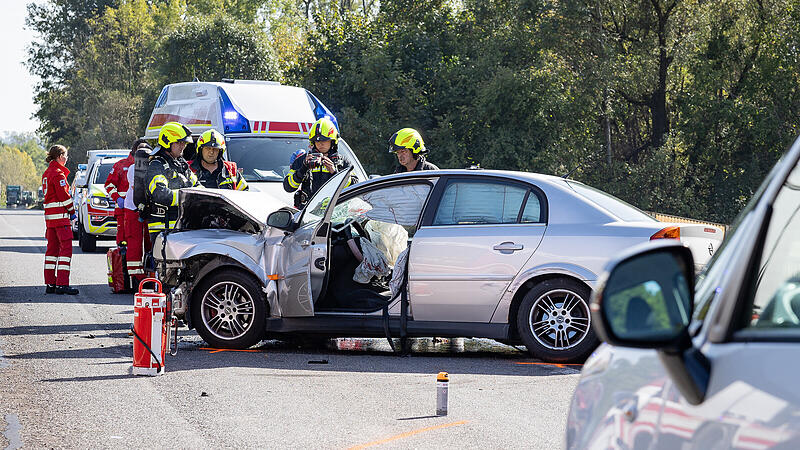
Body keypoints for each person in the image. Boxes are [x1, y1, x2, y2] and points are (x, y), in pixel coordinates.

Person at [283, 117, 357, 209]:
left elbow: (354, 187)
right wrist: (303, 169)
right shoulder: (303, 160)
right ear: (313, 142)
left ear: (333, 141)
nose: (321, 144)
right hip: (306, 213)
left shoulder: (343, 162)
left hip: (334, 213)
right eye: (317, 141)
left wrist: (335, 173)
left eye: (324, 140)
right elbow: (288, 187)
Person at [144, 122, 199, 241]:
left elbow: (197, 185)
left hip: (181, 226)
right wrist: (188, 197)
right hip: (162, 228)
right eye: (179, 142)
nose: (183, 146)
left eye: (184, 143)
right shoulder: (157, 165)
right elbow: (161, 194)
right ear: (167, 142)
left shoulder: (181, 164)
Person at [42, 145, 78, 295]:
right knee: (66, 250)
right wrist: (72, 211)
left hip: (50, 219)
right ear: (59, 156)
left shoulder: (46, 173)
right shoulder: (58, 174)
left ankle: (50, 284)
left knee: (51, 251)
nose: (67, 159)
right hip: (61, 219)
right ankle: (62, 284)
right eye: (66, 156)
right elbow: (64, 196)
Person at [104, 139, 146, 246]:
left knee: (144, 240)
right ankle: (123, 261)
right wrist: (118, 198)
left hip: (142, 208)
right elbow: (109, 185)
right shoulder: (120, 165)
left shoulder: (148, 165)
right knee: (124, 240)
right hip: (123, 209)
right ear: (135, 150)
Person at [123, 142, 153, 285]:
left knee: (150, 240)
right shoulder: (132, 169)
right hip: (133, 208)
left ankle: (150, 272)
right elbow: (138, 188)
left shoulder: (152, 168)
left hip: (146, 207)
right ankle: (135, 276)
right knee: (134, 241)